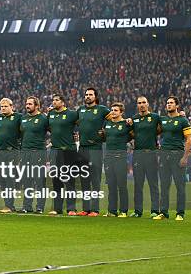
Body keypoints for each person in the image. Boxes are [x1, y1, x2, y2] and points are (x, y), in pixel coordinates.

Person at [154, 96, 191, 221]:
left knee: (180, 186)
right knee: (164, 185)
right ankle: (163, 212)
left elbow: (188, 140)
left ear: (177, 106)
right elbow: (153, 131)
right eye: (167, 103)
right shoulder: (163, 120)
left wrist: (185, 157)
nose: (168, 105)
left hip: (177, 155)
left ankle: (180, 213)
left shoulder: (183, 121)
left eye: (171, 103)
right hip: (164, 155)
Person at [76, 87, 111, 217]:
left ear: (95, 97)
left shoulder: (102, 110)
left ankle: (95, 209)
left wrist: (105, 131)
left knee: (95, 179)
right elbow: (72, 122)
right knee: (84, 179)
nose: (88, 96)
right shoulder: (81, 110)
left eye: (90, 94)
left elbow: (114, 120)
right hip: (83, 148)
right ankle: (86, 209)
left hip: (95, 148)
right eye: (86, 94)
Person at [128, 96, 161, 218]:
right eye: (139, 103)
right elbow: (129, 133)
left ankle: (155, 210)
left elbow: (165, 126)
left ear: (148, 104)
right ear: (137, 105)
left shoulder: (155, 117)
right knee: (138, 184)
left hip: (151, 153)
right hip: (138, 154)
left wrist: (182, 115)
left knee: (153, 184)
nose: (141, 105)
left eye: (143, 103)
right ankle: (138, 211)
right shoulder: (134, 119)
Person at [46, 94, 79, 216]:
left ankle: (71, 208)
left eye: (56, 100)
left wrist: (77, 135)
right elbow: (51, 128)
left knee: (69, 180)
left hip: (68, 150)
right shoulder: (51, 114)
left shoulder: (72, 114)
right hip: (55, 151)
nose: (54, 102)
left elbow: (82, 124)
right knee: (56, 181)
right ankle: (57, 208)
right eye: (53, 100)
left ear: (63, 102)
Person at [102, 102, 132, 217]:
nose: (113, 112)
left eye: (116, 110)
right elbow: (105, 138)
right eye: (112, 110)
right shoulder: (107, 124)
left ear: (121, 112)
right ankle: (112, 210)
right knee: (111, 185)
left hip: (120, 157)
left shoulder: (126, 124)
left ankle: (123, 211)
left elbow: (132, 135)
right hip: (108, 157)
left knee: (122, 185)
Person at [0, 98, 22, 214]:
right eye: (1, 106)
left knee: (10, 179)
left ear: (11, 106)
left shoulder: (18, 117)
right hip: (0, 151)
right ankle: (7, 204)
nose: (3, 108)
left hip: (12, 151)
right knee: (2, 180)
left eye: (5, 106)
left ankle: (9, 205)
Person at [19, 97, 49, 213]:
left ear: (37, 106)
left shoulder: (43, 118)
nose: (27, 106)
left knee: (40, 181)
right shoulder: (23, 118)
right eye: (26, 104)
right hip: (25, 153)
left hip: (38, 153)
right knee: (27, 181)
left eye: (30, 104)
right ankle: (27, 206)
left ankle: (40, 207)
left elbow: (53, 130)